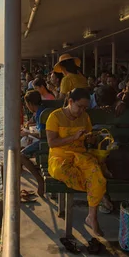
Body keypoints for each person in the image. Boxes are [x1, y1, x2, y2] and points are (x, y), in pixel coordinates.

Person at [46, 88, 107, 236]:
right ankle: (97, 193)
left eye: (85, 107)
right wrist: (73, 137)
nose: (82, 110)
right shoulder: (55, 116)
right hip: (60, 157)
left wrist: (90, 138)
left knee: (96, 175)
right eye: (79, 106)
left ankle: (92, 216)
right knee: (65, 172)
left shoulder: (84, 117)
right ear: (70, 101)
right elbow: (52, 143)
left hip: (80, 155)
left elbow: (87, 139)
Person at [20, 91, 46, 196]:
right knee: (22, 144)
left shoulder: (41, 114)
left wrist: (27, 132)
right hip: (43, 140)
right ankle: (20, 168)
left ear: (30, 104)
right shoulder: (41, 111)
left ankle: (39, 180)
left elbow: (42, 135)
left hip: (45, 142)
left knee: (21, 155)